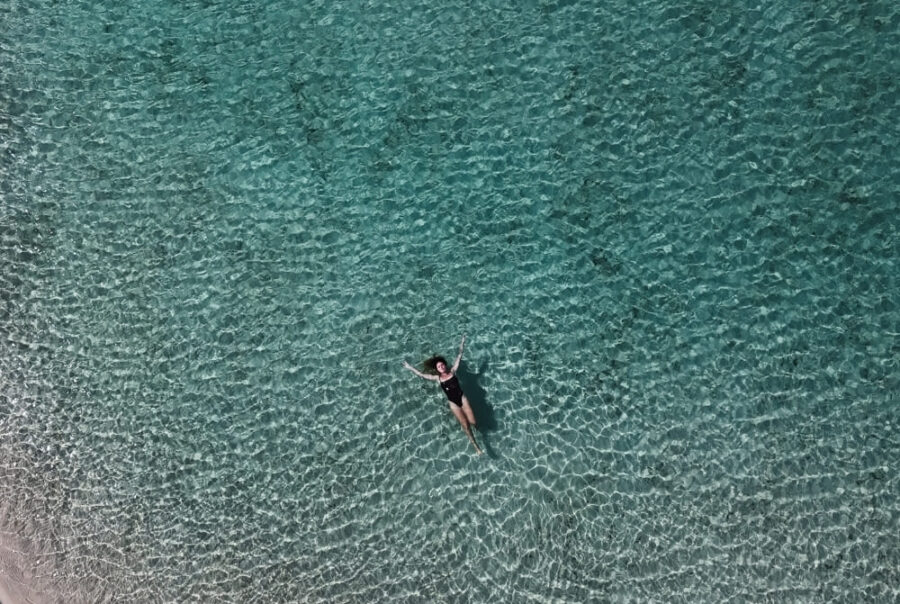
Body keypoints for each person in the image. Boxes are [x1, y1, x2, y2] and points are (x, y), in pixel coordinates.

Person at [403, 335, 482, 454]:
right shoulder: (437, 378)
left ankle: (479, 430)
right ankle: (476, 446)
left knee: (473, 422)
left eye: (442, 364)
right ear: (437, 369)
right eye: (439, 366)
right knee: (465, 425)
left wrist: (462, 342)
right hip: (453, 404)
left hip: (462, 398)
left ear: (445, 365)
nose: (441, 367)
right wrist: (410, 367)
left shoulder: (453, 371)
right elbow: (421, 374)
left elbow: (459, 356)